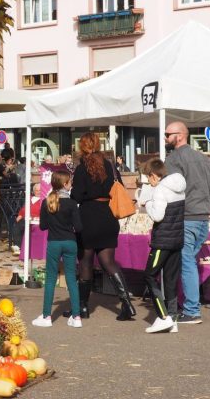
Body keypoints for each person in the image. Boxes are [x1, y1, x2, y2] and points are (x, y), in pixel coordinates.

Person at [70, 132, 136, 321]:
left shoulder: (82, 168)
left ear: (82, 147)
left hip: (88, 217)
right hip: (108, 216)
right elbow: (120, 187)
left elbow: (77, 195)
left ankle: (82, 307)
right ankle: (126, 304)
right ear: (98, 145)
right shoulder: (110, 165)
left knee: (85, 262)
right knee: (109, 262)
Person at [164, 121, 210, 325]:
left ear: (180, 136)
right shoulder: (202, 158)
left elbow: (169, 190)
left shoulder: (174, 159)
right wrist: (203, 205)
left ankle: (192, 310)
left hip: (187, 217)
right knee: (189, 261)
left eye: (168, 134)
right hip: (202, 218)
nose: (165, 138)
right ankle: (188, 306)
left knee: (186, 262)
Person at [138, 158, 186, 334]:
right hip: (177, 239)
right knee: (171, 279)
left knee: (150, 275)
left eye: (147, 179)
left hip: (163, 241)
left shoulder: (159, 190)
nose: (148, 183)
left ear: (153, 176)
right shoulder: (179, 188)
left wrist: (148, 203)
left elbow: (157, 216)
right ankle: (172, 318)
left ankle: (163, 316)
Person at [32, 171, 83, 328]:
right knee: (71, 279)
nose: (72, 184)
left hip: (54, 242)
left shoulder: (47, 202)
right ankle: (76, 317)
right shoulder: (72, 203)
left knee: (50, 279)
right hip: (70, 242)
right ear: (65, 184)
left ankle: (47, 316)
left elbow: (43, 226)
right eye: (70, 182)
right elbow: (79, 227)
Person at [11, 183, 42, 253]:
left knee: (21, 224)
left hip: (37, 220)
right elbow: (23, 210)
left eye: (40, 190)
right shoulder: (30, 198)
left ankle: (18, 247)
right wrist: (20, 216)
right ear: (34, 191)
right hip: (27, 219)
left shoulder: (44, 200)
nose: (38, 192)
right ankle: (18, 247)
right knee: (18, 224)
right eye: (37, 190)